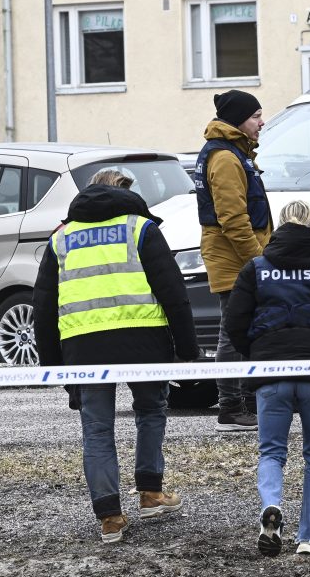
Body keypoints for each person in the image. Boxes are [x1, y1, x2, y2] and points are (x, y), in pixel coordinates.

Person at [33, 169, 200, 543]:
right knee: (152, 410)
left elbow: (42, 307)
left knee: (97, 429)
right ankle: (151, 493)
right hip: (143, 341)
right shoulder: (141, 228)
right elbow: (174, 292)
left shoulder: (61, 238)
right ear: (126, 194)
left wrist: (54, 367)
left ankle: (109, 517)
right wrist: (189, 352)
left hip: (83, 346)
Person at [222, 200, 310, 557]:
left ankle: (272, 507)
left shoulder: (256, 267)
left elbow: (234, 322)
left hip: (271, 372)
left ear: (279, 226)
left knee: (271, 452)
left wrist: (256, 352)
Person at [195, 89, 273, 431]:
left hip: (237, 257)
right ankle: (230, 407)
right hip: (235, 259)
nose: (261, 122)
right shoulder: (225, 158)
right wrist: (259, 261)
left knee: (245, 331)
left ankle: (247, 403)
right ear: (239, 119)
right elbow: (233, 220)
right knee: (232, 333)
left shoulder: (232, 152)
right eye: (256, 116)